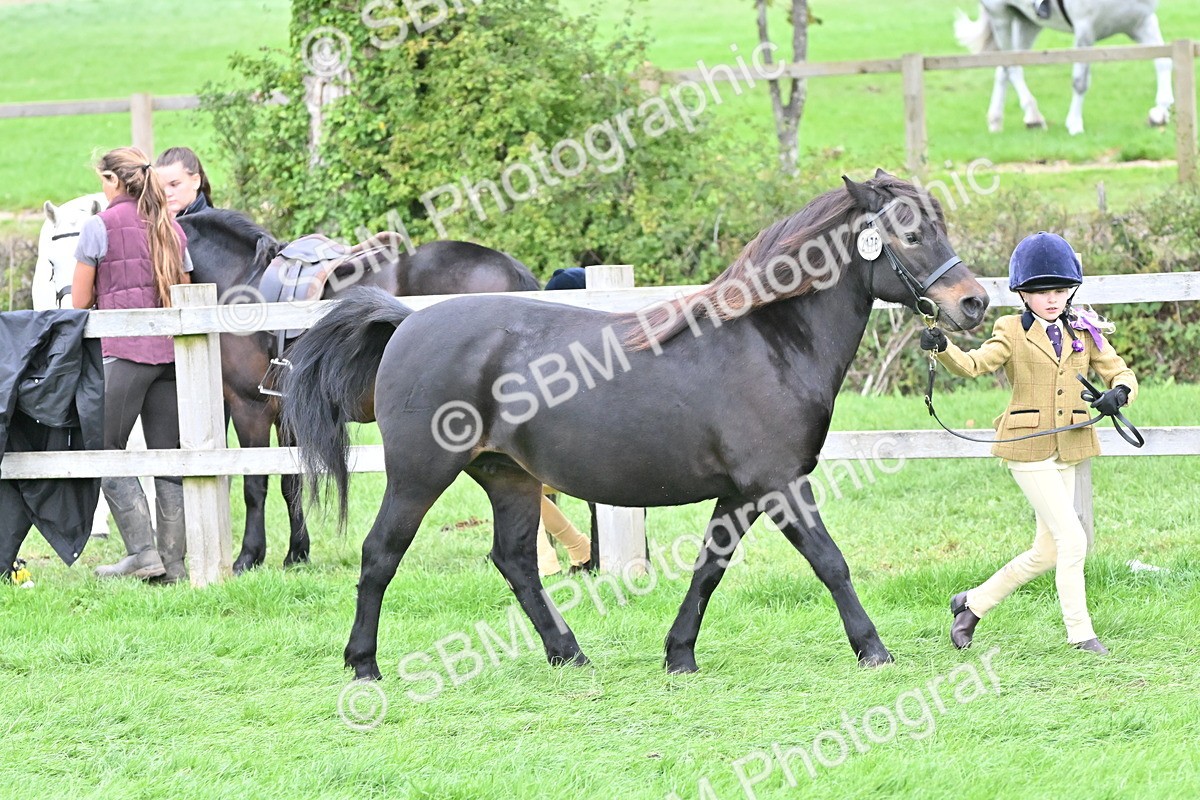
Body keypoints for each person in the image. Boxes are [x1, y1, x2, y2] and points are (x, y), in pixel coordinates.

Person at [921, 232, 1137, 655]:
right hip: (1027, 447)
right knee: (1074, 541)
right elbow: (973, 365)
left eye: (1059, 291)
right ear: (1023, 294)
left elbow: (1120, 371)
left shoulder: (1083, 327)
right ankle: (1081, 635)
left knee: (1046, 552)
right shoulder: (1010, 331)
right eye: (1041, 293)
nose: (1052, 300)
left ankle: (971, 605)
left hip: (1070, 445)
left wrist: (1120, 393)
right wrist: (943, 348)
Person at [72, 146, 193, 583]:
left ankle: (143, 552)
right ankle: (174, 562)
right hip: (170, 359)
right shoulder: (171, 228)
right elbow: (185, 293)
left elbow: (82, 300)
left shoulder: (98, 226)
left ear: (113, 182)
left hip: (123, 354)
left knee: (103, 451)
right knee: (168, 456)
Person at [154, 146, 212, 217]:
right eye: (161, 187)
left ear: (195, 181)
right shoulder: (151, 222)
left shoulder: (214, 224)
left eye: (174, 184)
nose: (167, 193)